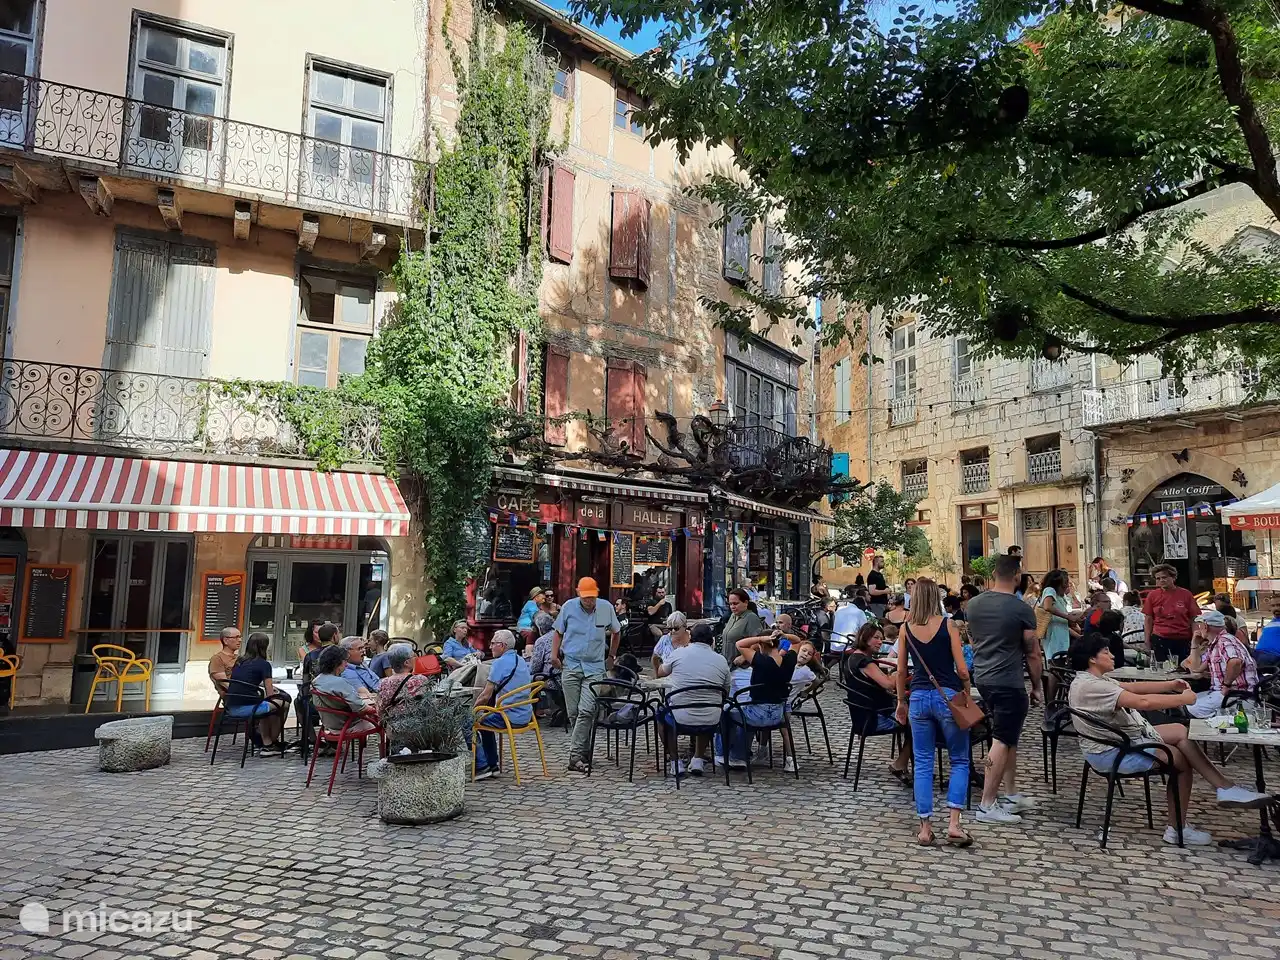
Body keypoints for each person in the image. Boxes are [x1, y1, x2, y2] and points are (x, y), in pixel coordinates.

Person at [1067, 631, 1269, 845]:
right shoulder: (1093, 686)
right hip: (1111, 752)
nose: (1113, 656)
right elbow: (1142, 702)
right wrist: (1182, 699)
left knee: (1181, 731)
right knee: (1179, 761)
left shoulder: (1092, 680)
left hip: (1118, 741)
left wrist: (1170, 685)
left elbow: (1133, 687)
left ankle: (1224, 788)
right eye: (1106, 652)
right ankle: (1177, 828)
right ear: (1092, 659)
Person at [895, 577, 973, 847]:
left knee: (923, 761)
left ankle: (925, 827)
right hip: (948, 695)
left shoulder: (906, 628)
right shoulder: (948, 625)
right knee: (960, 759)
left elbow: (902, 670)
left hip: (917, 696)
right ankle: (954, 823)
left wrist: (900, 701)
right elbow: (962, 668)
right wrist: (966, 689)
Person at [966, 553, 1041, 825]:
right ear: (1017, 576)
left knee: (1008, 738)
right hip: (1008, 680)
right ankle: (987, 804)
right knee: (1001, 740)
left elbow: (972, 640)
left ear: (994, 573)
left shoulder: (973, 605)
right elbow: (1032, 652)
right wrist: (1037, 685)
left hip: (983, 677)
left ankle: (1010, 794)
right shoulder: (1020, 608)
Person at [551, 577, 622, 774]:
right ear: (578, 593)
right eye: (585, 597)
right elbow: (558, 632)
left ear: (596, 594)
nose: (588, 601)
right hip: (572, 665)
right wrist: (554, 655)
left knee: (586, 710)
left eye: (591, 597)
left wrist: (612, 656)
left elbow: (616, 632)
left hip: (595, 667)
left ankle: (574, 756)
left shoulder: (606, 608)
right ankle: (585, 751)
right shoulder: (569, 607)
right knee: (574, 713)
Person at [658, 622, 730, 776]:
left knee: (661, 715)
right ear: (712, 641)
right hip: (711, 718)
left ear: (690, 637)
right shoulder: (721, 660)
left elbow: (661, 672)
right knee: (707, 706)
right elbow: (726, 691)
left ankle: (675, 761)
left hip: (680, 716)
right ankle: (697, 759)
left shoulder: (678, 653)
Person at [842, 622, 911, 783]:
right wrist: (896, 674)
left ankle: (907, 766)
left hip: (861, 717)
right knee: (920, 724)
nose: (880, 642)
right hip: (874, 719)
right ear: (865, 638)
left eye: (881, 638)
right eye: (876, 638)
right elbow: (888, 684)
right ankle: (902, 765)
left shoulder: (853, 658)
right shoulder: (864, 662)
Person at [730, 628, 799, 772]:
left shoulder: (761, 661)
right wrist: (785, 635)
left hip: (756, 714)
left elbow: (740, 644)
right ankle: (745, 753)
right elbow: (797, 641)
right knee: (743, 710)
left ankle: (735, 755)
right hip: (778, 715)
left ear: (762, 645)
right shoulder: (789, 660)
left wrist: (760, 639)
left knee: (727, 712)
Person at [473, 629, 533, 780]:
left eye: (493, 643)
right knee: (485, 720)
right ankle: (492, 765)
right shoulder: (520, 660)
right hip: (526, 715)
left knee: (469, 722)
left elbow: (486, 696)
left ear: (503, 645)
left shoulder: (499, 663)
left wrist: (473, 709)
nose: (490, 646)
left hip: (508, 716)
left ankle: (482, 766)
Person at [223, 632, 292, 752]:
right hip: (250, 708)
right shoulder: (264, 665)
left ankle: (267, 742)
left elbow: (245, 679)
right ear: (264, 647)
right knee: (284, 703)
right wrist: (275, 690)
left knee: (265, 704)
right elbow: (271, 695)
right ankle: (270, 743)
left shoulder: (239, 662)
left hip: (230, 707)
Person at [1183, 609, 1259, 718]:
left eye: (1200, 626)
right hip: (1226, 693)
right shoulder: (1216, 644)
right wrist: (1194, 643)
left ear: (1205, 626)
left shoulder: (1225, 641)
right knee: (1188, 701)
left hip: (1238, 694)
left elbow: (1235, 662)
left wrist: (1226, 685)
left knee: (1190, 708)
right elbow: (1196, 670)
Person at [312, 644, 377, 735]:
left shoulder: (317, 680)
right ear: (337, 663)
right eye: (345, 661)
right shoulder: (340, 682)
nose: (346, 664)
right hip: (346, 725)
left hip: (329, 723)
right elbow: (361, 708)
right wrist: (377, 708)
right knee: (380, 722)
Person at [1143, 564, 1199, 664]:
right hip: (1160, 638)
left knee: (1183, 667)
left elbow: (1194, 618)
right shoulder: (1152, 595)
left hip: (1182, 638)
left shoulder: (1186, 594)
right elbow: (1148, 619)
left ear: (1173, 577)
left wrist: (1196, 639)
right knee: (1161, 669)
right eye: (1158, 578)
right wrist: (1147, 641)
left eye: (1164, 577)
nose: (1161, 580)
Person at [376, 643, 428, 720]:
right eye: (413, 657)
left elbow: (380, 709)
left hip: (393, 725)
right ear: (406, 663)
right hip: (416, 725)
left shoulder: (384, 682)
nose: (416, 659)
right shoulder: (420, 680)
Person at [720, 588, 767, 663]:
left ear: (745, 602)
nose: (732, 607)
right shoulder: (733, 616)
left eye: (735, 603)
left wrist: (743, 657)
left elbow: (759, 641)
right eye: (730, 604)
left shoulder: (751, 618)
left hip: (742, 667)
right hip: (728, 664)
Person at [339, 636, 380, 703]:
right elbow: (367, 695)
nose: (364, 651)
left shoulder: (362, 664)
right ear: (346, 653)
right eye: (360, 648)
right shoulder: (347, 672)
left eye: (363, 647)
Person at [651, 610, 688, 675]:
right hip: (668, 678)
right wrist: (656, 675)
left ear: (684, 626)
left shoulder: (693, 639)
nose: (673, 631)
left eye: (676, 628)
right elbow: (654, 658)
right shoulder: (665, 639)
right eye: (670, 629)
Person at [208, 626, 242, 693]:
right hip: (235, 695)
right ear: (225, 640)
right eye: (236, 637)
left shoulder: (239, 658)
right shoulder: (217, 659)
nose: (240, 640)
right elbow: (224, 683)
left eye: (240, 637)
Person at [528, 612, 559, 678]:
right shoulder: (561, 634)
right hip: (564, 675)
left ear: (540, 628)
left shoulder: (542, 640)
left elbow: (534, 668)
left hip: (550, 678)